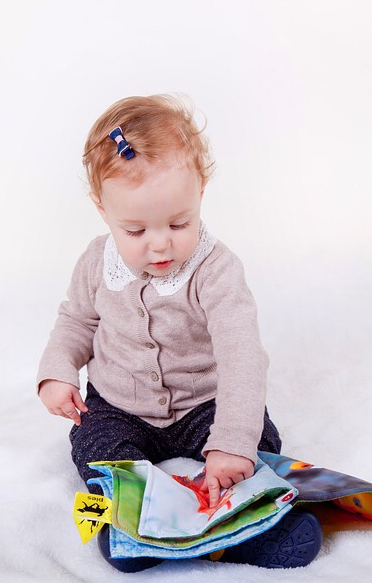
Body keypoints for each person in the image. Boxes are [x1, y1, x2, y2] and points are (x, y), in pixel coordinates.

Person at [37, 94, 322, 571]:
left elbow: (242, 357)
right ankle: (129, 522)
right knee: (92, 445)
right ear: (102, 209)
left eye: (178, 222)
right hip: (120, 407)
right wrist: (57, 371)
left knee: (258, 442)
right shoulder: (94, 262)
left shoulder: (217, 270)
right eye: (135, 231)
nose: (160, 244)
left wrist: (232, 441)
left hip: (201, 405)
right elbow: (77, 321)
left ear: (201, 192)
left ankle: (245, 526)